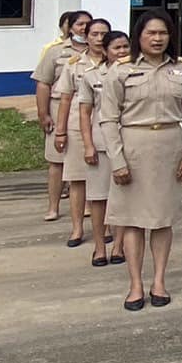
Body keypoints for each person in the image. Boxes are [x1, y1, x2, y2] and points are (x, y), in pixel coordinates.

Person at [98, 10, 182, 310]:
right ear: (138, 37)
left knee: (161, 220)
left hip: (169, 149)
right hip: (133, 148)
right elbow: (108, 119)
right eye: (150, 34)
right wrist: (117, 160)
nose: (157, 39)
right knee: (132, 221)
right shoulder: (121, 71)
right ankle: (135, 285)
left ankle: (159, 281)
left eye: (163, 33)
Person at [53, 18, 113, 253]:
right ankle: (77, 227)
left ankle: (106, 226)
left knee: (106, 180)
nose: (99, 39)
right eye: (95, 34)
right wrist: (60, 132)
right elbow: (65, 99)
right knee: (77, 179)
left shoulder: (117, 63)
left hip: (107, 129)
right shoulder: (74, 63)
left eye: (103, 34)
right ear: (84, 36)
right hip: (79, 128)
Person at [73, 29, 129, 266]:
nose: (122, 52)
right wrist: (87, 145)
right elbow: (85, 113)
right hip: (101, 143)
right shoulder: (90, 75)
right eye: (117, 48)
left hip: (128, 143)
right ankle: (99, 248)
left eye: (126, 47)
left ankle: (119, 245)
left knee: (125, 198)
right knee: (98, 198)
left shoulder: (136, 73)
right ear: (105, 51)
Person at [33, 9, 91, 221]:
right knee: (57, 161)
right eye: (80, 24)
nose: (84, 28)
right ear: (70, 27)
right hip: (59, 109)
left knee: (88, 159)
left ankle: (86, 204)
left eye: (88, 24)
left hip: (87, 109)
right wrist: (43, 113)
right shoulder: (56, 51)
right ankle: (53, 207)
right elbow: (43, 83)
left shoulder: (97, 51)